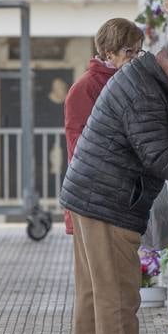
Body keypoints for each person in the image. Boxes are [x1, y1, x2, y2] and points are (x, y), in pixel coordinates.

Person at [58, 33, 168, 334]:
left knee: (94, 293)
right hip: (107, 201)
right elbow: (157, 155)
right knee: (117, 293)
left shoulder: (144, 81)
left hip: (89, 196)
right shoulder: (144, 91)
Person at [62, 18, 145, 235]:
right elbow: (79, 147)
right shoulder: (86, 87)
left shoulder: (127, 80)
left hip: (119, 192)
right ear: (109, 53)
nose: (135, 59)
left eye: (139, 52)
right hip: (94, 197)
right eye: (129, 52)